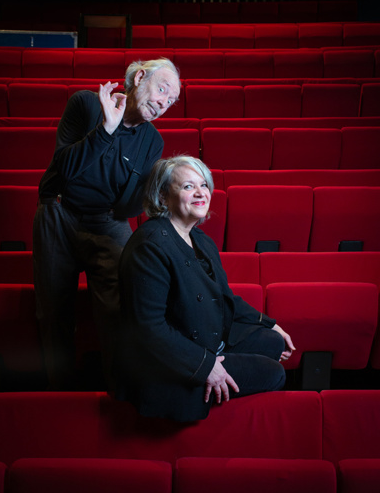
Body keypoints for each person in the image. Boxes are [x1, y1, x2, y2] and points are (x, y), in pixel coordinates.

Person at [32, 58, 181, 391]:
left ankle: (118, 391)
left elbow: (129, 205)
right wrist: (106, 131)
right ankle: (59, 392)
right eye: (161, 90)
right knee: (53, 313)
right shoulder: (85, 104)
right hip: (59, 211)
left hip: (107, 221)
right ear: (139, 77)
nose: (163, 103)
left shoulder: (152, 142)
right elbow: (64, 168)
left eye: (170, 101)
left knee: (120, 307)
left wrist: (158, 191)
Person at [115, 156, 295, 422]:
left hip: (206, 337)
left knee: (274, 341)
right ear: (163, 197)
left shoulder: (200, 238)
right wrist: (205, 366)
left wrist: (269, 324)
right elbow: (148, 328)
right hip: (171, 362)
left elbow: (224, 298)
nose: (201, 193)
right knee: (275, 373)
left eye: (204, 185)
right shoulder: (149, 247)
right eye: (187, 187)